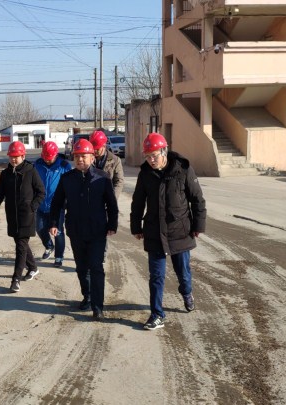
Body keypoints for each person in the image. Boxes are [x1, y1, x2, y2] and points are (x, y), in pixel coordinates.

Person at [130, 133, 206, 330]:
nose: (151, 160)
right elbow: (138, 202)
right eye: (147, 156)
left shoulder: (183, 170)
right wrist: (136, 226)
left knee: (183, 274)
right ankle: (157, 314)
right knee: (156, 277)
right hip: (154, 232)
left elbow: (197, 199)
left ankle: (187, 293)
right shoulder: (145, 174)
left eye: (154, 155)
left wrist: (198, 225)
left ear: (164, 151)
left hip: (180, 231)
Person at [50, 139, 118, 320]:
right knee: (81, 268)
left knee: (96, 267)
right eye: (77, 156)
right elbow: (57, 203)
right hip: (76, 230)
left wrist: (112, 224)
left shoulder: (102, 177)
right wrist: (54, 223)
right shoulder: (67, 179)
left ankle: (97, 306)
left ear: (92, 157)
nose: (80, 160)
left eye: (84, 156)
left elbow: (111, 204)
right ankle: (87, 296)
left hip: (97, 231)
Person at [0, 141, 45, 293]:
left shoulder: (31, 171)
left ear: (23, 156)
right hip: (12, 216)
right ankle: (33, 267)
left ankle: (16, 279)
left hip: (27, 216)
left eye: (17, 156)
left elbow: (41, 192)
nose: (14, 159)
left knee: (20, 246)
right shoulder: (6, 174)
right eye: (11, 156)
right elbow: (0, 194)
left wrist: (32, 207)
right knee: (21, 243)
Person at [33, 141, 72, 267]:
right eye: (45, 158)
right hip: (41, 204)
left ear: (56, 155)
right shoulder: (37, 164)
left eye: (50, 158)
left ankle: (59, 256)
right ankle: (49, 246)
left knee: (58, 232)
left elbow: (69, 185)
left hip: (57, 206)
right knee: (39, 228)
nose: (48, 161)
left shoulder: (64, 166)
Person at [90, 130, 124, 198]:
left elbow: (119, 182)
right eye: (93, 148)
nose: (94, 151)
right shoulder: (88, 159)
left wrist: (112, 198)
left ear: (104, 146)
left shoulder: (115, 160)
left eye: (97, 149)